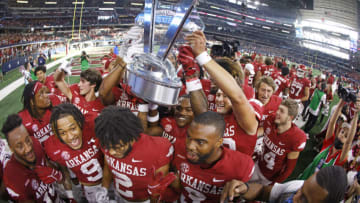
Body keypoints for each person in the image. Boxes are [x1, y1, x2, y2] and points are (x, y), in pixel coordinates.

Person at [185, 31, 262, 156]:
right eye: (219, 95)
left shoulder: (249, 102)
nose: (219, 99)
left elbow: (237, 96)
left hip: (235, 171)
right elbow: (202, 115)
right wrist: (190, 75)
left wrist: (202, 55)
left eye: (225, 95)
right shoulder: (215, 110)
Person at [94, 106, 175, 202]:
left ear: (132, 136)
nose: (111, 152)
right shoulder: (107, 139)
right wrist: (104, 188)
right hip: (118, 195)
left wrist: (154, 195)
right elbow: (108, 166)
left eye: (119, 147)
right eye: (108, 148)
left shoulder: (157, 149)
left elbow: (159, 191)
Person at [171, 111, 255, 202]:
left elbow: (246, 193)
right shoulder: (178, 148)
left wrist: (242, 190)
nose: (190, 146)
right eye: (188, 137)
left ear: (218, 143)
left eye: (200, 142)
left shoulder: (241, 165)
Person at [2, 114, 70, 202]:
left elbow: (51, 169)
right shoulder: (13, 177)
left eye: (27, 139)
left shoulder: (35, 143)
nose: (28, 148)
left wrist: (55, 173)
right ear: (11, 148)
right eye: (20, 146)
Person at [44, 103, 103, 202]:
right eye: (63, 133)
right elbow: (64, 170)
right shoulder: (52, 147)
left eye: (73, 128)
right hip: (90, 189)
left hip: (113, 179)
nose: (70, 137)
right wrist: (71, 195)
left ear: (80, 122)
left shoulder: (94, 122)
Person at [299, 97, 360, 180]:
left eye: (346, 136)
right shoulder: (328, 144)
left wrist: (356, 114)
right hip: (303, 179)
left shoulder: (340, 157)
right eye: (342, 132)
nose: (342, 135)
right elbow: (332, 123)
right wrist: (341, 103)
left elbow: (349, 142)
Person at [220, 165, 347, 203]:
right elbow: (264, 192)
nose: (295, 196)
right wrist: (244, 189)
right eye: (301, 189)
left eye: (304, 200)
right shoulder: (296, 187)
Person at [251, 99, 307, 185]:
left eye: (282, 111)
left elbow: (289, 168)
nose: (277, 112)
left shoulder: (296, 138)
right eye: (278, 109)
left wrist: (274, 184)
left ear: (290, 118)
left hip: (270, 178)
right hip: (258, 165)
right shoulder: (270, 120)